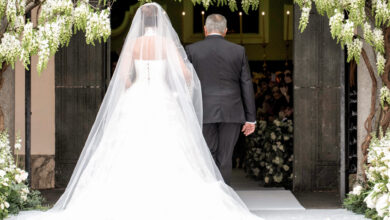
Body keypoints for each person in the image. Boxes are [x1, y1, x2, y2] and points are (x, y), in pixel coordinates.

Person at [10, 3, 261, 220]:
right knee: (171, 149)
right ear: (161, 22)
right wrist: (174, 86)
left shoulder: (135, 45)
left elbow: (123, 78)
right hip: (164, 100)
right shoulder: (165, 44)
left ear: (140, 23)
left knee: (130, 146)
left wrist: (136, 84)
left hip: (136, 98)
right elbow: (185, 75)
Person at [186, 14, 256, 185]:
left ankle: (210, 200)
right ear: (225, 31)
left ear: (205, 29)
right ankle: (225, 199)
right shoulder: (238, 51)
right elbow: (246, 84)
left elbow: (186, 84)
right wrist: (251, 118)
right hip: (232, 111)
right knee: (225, 158)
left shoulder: (192, 50)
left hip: (204, 110)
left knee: (207, 155)